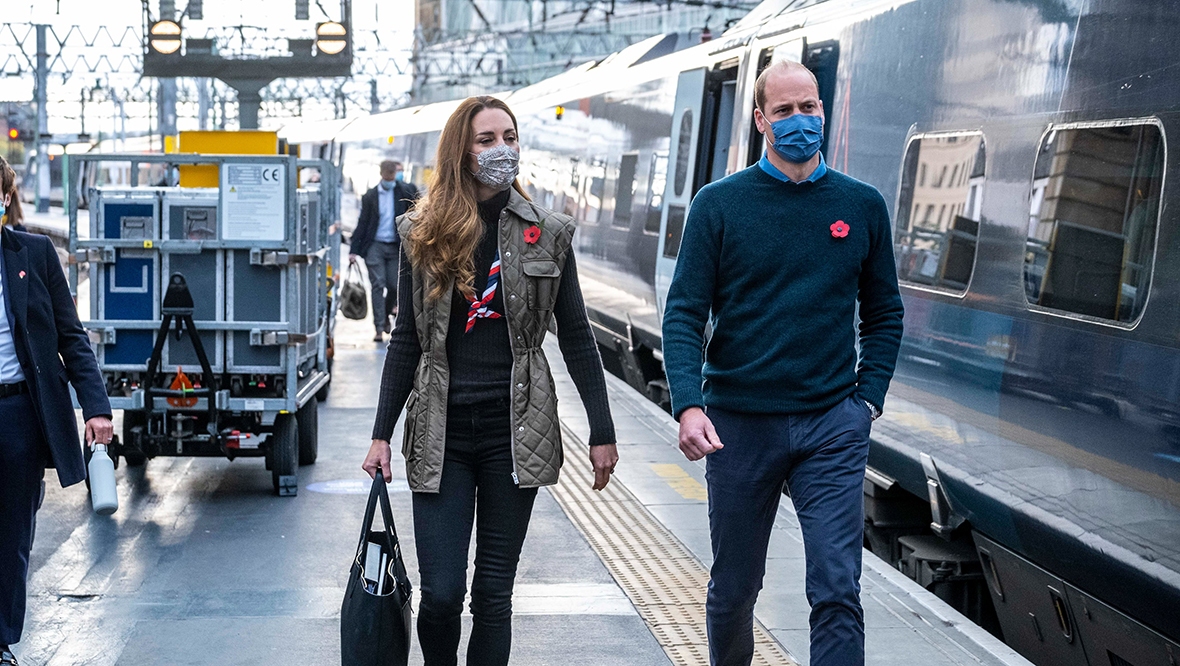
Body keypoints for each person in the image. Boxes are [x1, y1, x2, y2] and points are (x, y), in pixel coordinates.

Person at [661, 61, 904, 666]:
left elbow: (884, 312)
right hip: (740, 426)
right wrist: (689, 404)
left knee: (837, 588)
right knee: (735, 590)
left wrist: (866, 401)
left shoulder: (862, 205)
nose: (802, 121)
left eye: (812, 107)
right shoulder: (718, 206)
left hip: (831, 424)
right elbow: (684, 314)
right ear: (760, 119)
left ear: (824, 111)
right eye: (787, 110)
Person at [361, 96, 619, 666]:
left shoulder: (548, 233)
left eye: (510, 136)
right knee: (443, 594)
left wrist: (602, 431)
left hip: (515, 430)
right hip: (441, 433)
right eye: (486, 139)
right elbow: (407, 339)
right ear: (462, 151)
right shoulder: (421, 233)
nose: (503, 148)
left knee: (494, 594)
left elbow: (576, 334)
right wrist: (382, 432)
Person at [0, 155, 113, 666]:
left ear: (5, 200)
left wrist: (96, 407)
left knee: (11, 537)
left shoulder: (34, 253)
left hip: (18, 414)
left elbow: (71, 335)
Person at [350, 160, 420, 342]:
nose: (391, 179)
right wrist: (353, 250)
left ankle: (389, 311)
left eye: (393, 176)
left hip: (397, 246)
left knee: (394, 285)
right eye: (388, 176)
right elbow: (363, 223)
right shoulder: (370, 196)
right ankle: (379, 327)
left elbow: (419, 212)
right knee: (377, 285)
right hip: (375, 245)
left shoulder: (405, 191)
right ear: (381, 174)